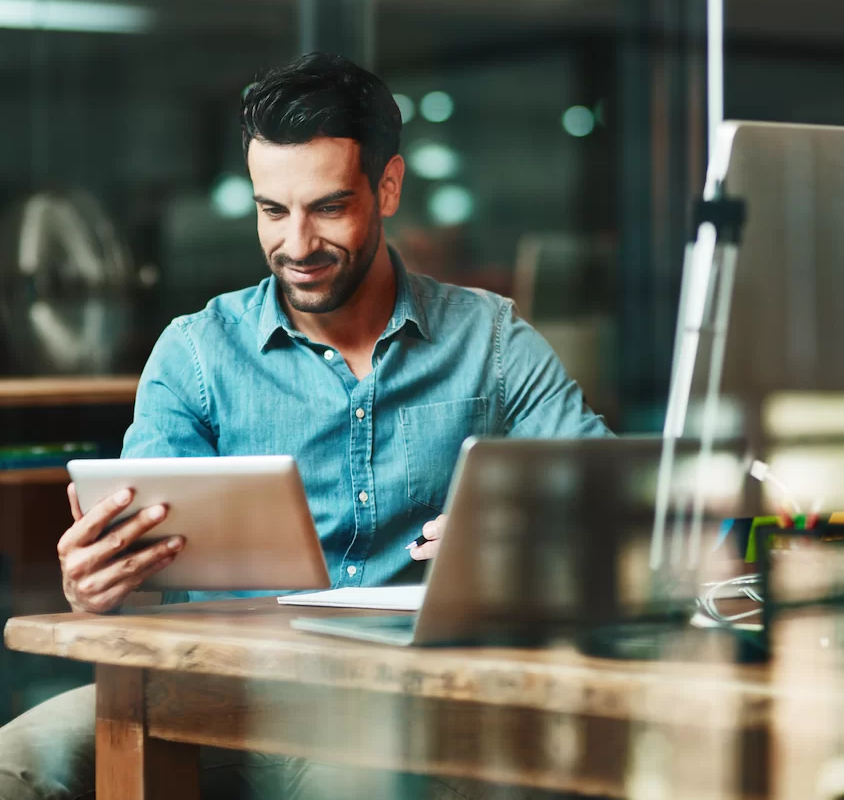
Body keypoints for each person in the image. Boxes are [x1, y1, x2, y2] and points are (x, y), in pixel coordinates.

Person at [0, 53, 610, 800]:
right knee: (15, 763)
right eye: (271, 210)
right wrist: (97, 583)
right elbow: (141, 574)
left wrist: (526, 535)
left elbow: (620, 504)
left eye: (326, 207)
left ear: (387, 187)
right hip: (204, 696)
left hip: (399, 705)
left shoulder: (490, 341)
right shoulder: (196, 352)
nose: (295, 244)